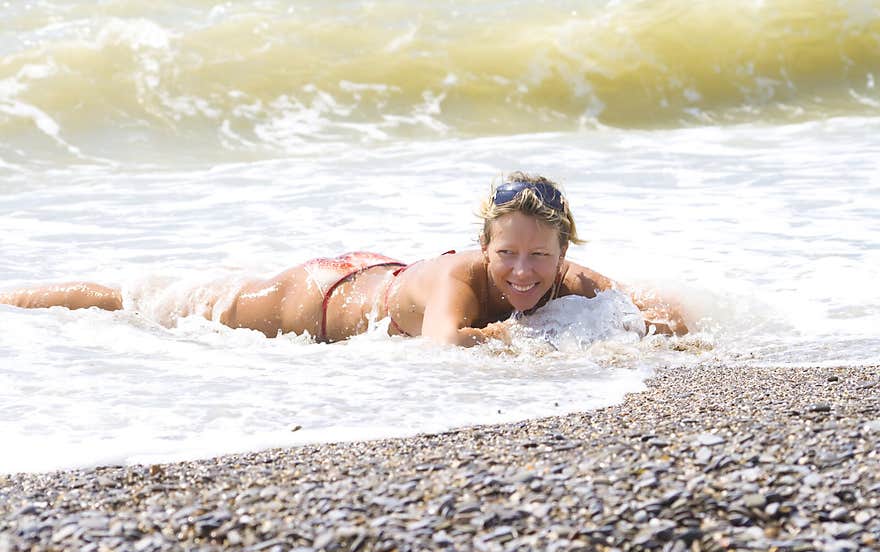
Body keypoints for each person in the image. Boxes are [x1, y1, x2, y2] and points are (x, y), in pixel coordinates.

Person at [0, 173, 687, 344]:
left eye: (539, 256)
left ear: (564, 252)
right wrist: (552, 341)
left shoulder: (569, 276)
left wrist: (662, 335)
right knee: (138, 303)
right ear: (484, 248)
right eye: (506, 253)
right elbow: (449, 344)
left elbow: (648, 315)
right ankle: (11, 298)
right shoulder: (458, 278)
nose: (522, 272)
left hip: (381, 274)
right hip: (320, 298)